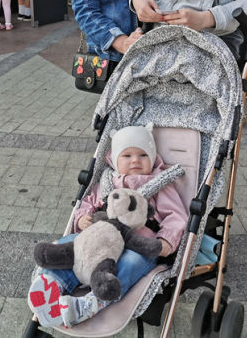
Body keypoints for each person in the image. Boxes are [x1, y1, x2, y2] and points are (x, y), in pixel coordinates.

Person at [28, 124, 187, 327]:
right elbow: (88, 202)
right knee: (73, 245)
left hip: (138, 244)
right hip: (101, 239)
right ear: (115, 159)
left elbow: (176, 216)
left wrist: (166, 240)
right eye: (127, 155)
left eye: (143, 155)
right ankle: (52, 283)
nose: (135, 160)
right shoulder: (108, 182)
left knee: (131, 262)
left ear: (153, 158)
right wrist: (82, 218)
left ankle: (93, 302)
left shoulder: (160, 184)